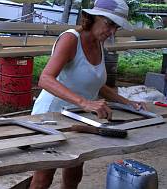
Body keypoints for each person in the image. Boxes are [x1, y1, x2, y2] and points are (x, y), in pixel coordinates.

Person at [30, 0, 145, 188]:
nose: (112, 32)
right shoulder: (70, 39)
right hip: (52, 116)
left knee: (74, 171)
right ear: (91, 18)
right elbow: (45, 79)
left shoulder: (99, 44)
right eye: (109, 24)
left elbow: (96, 84)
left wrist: (127, 102)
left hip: (80, 117)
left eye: (116, 27)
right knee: (43, 178)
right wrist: (85, 103)